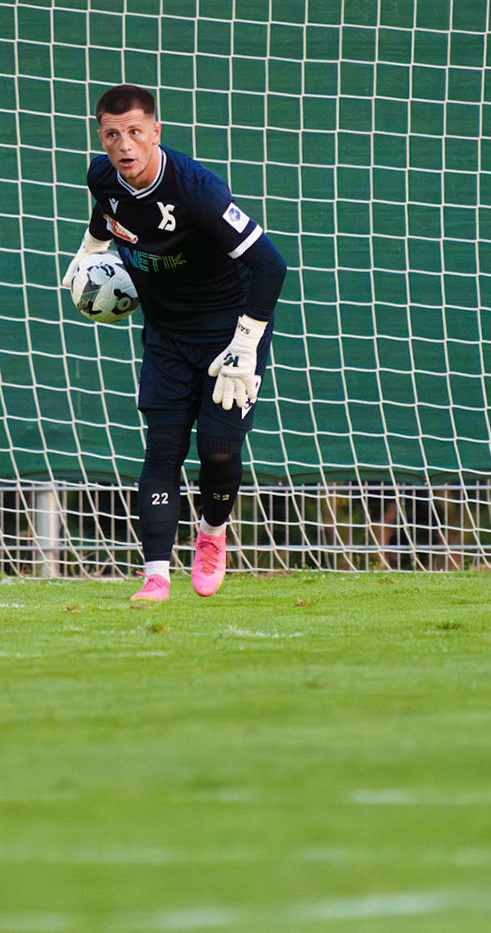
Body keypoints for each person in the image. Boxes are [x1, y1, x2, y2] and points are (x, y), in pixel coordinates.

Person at [63, 85, 288, 601]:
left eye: (135, 132)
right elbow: (104, 222)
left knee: (218, 453)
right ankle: (156, 576)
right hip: (166, 332)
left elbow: (270, 265)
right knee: (162, 449)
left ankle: (211, 532)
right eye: (112, 134)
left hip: (229, 332)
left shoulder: (197, 190)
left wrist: (246, 343)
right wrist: (87, 260)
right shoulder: (103, 176)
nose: (124, 144)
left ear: (155, 133)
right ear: (102, 135)